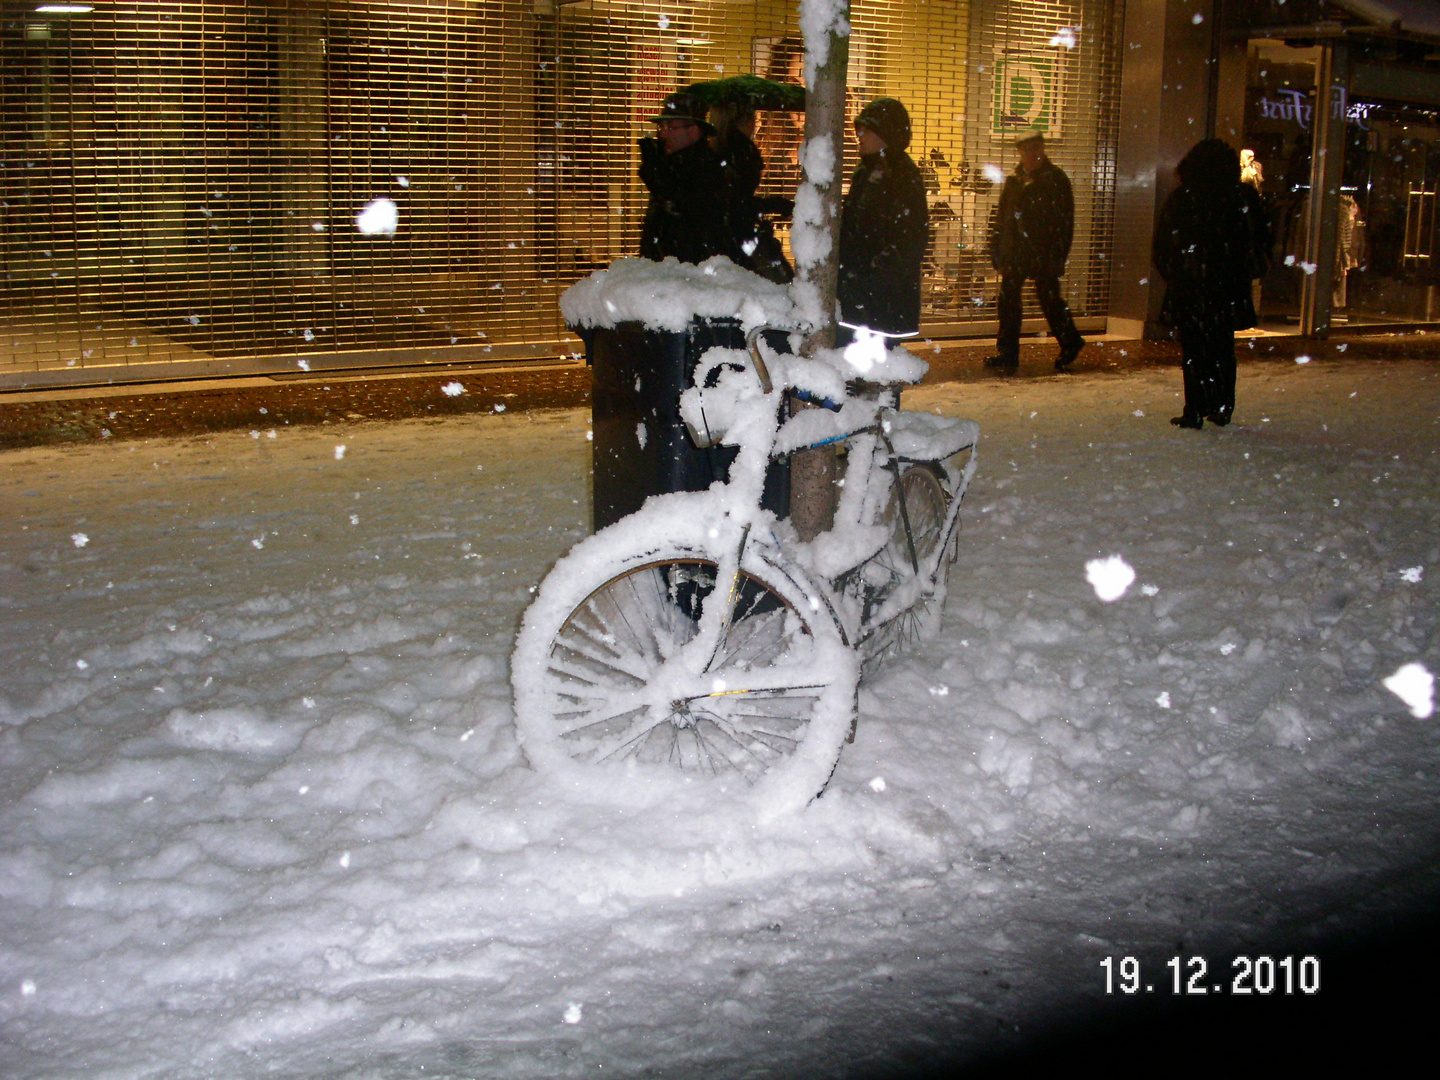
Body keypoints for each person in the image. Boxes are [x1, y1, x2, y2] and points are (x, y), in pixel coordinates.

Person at [1151, 138, 1258, 429]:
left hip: (1192, 284)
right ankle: (1222, 405)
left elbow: (1164, 245)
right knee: (1222, 348)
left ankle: (1195, 407)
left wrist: (1178, 271)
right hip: (1226, 286)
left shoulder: (1185, 198)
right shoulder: (1240, 197)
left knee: (1194, 350)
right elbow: (1255, 241)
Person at [985, 132, 1084, 371]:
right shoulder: (1016, 180)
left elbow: (1064, 223)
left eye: (1035, 148)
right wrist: (997, 250)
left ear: (1042, 149)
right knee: (1010, 301)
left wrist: (1057, 255)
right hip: (1017, 251)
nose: (1031, 154)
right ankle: (1008, 353)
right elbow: (1003, 218)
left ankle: (1069, 341)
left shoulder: (1054, 180)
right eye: (1026, 149)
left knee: (1047, 298)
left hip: (1041, 251)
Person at [836, 97, 929, 341]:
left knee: (878, 367)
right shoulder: (868, 171)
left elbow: (910, 239)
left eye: (867, 129)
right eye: (859, 128)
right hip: (861, 294)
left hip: (882, 299)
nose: (860, 134)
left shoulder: (899, 174)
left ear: (885, 133)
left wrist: (873, 277)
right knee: (856, 365)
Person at [638, 91, 742, 265]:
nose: (663, 135)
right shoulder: (675, 165)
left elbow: (681, 208)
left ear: (694, 131)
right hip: (669, 274)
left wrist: (655, 171)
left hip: (689, 277)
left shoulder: (705, 169)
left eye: (670, 127)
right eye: (661, 127)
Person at [709, 94, 794, 283]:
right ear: (748, 121)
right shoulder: (740, 151)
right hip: (738, 238)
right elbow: (738, 201)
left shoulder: (718, 147)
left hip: (723, 239)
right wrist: (774, 205)